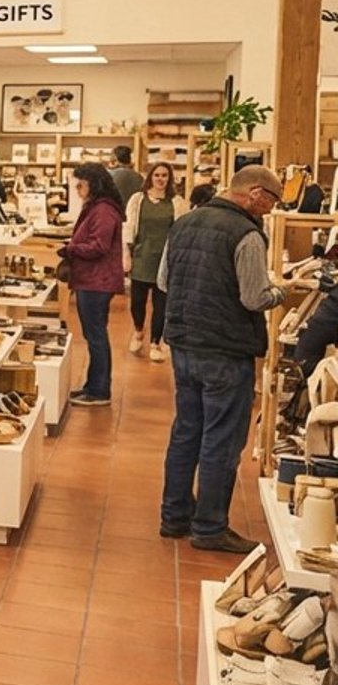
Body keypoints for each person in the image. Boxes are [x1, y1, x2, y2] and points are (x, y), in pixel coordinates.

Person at [159, 164, 297, 554]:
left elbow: (165, 282)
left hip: (185, 344)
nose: (272, 208)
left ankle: (174, 517)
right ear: (255, 193)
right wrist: (283, 290)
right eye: (272, 200)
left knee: (187, 431)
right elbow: (254, 298)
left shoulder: (185, 222)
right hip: (225, 349)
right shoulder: (247, 234)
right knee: (221, 439)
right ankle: (209, 527)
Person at [61, 163, 126, 407]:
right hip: (93, 279)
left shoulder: (103, 211)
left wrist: (71, 249)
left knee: (96, 335)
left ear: (93, 184)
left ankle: (99, 390)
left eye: (80, 185)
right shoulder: (99, 208)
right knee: (93, 334)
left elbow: (99, 246)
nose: (77, 190)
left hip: (96, 280)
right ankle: (93, 386)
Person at [124, 161, 188, 363]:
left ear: (170, 179)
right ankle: (138, 331)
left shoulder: (176, 202)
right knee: (137, 302)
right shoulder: (138, 200)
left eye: (165, 175)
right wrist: (126, 254)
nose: (161, 179)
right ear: (150, 177)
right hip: (142, 257)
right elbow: (129, 228)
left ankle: (155, 343)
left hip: (165, 260)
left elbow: (180, 232)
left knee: (161, 304)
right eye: (157, 175)